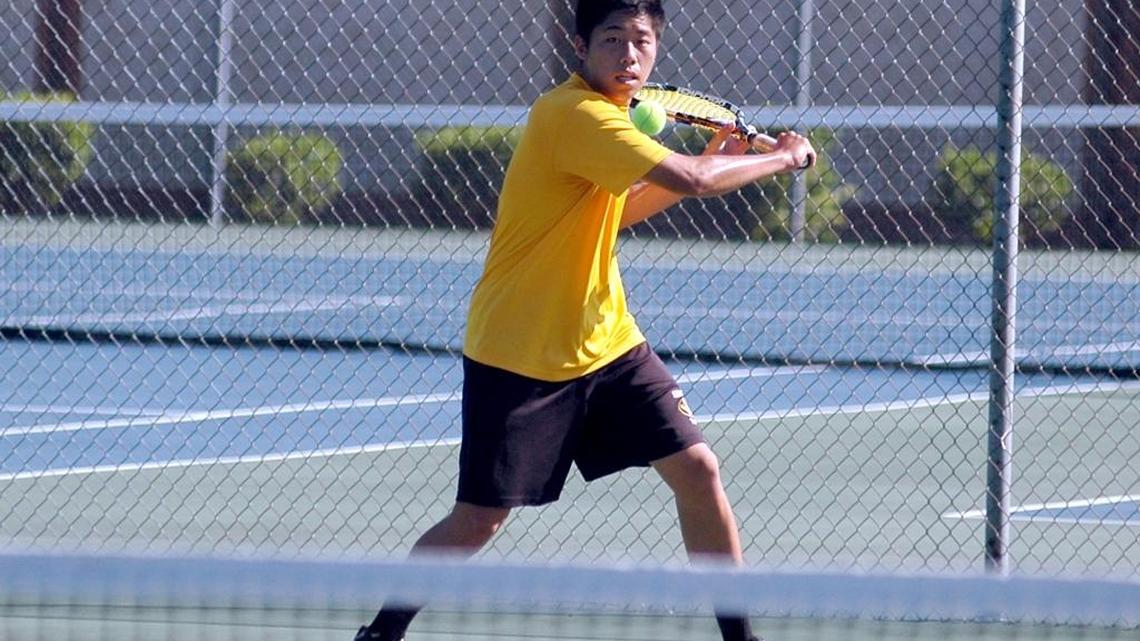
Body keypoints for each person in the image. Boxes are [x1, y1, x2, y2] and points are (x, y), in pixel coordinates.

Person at [356, 1, 814, 640]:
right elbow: (689, 177)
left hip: (608, 340)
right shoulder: (573, 115)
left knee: (698, 470)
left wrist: (716, 157)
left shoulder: (614, 119)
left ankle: (740, 636)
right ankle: (382, 631)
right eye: (612, 40)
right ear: (580, 47)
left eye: (642, 41)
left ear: (656, 49)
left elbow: (619, 213)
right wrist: (784, 158)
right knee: (479, 519)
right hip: (522, 349)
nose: (629, 55)